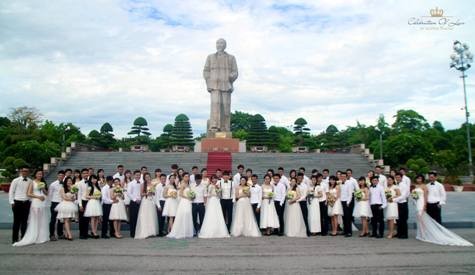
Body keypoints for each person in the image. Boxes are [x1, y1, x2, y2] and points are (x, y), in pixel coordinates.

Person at [413, 174, 472, 246]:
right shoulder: (427, 185)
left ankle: (439, 234)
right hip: (428, 204)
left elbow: (443, 195)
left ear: (435, 177)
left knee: (437, 219)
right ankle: (430, 233)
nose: (431, 178)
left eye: (432, 177)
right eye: (430, 177)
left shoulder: (439, 185)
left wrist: (440, 203)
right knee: (429, 220)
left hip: (436, 204)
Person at [203, 38, 238, 133]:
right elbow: (206, 71)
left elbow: (235, 72)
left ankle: (225, 128)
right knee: (215, 105)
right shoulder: (210, 57)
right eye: (218, 43)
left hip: (226, 85)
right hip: (214, 85)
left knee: (226, 108)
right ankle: (214, 126)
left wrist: (231, 77)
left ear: (225, 45)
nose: (219, 45)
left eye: (222, 43)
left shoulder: (231, 58)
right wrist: (208, 82)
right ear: (216, 45)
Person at [13, 170, 50, 246]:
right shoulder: (32, 182)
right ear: (35, 174)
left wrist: (43, 189)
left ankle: (42, 236)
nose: (40, 175)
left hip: (42, 203)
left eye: (41, 174)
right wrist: (38, 197)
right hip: (35, 202)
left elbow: (47, 193)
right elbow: (29, 193)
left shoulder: (43, 182)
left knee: (42, 219)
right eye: (38, 174)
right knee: (35, 219)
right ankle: (34, 236)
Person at [167, 173, 194, 239]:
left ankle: (187, 231)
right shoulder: (182, 184)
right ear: (183, 177)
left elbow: (190, 192)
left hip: (188, 202)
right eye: (185, 176)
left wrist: (192, 196)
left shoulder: (188, 185)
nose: (187, 178)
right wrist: (188, 197)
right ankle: (181, 231)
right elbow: (181, 194)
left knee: (188, 214)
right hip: (184, 201)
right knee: (184, 214)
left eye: (188, 176)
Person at [135, 173, 158, 239]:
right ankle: (145, 232)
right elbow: (141, 194)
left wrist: (152, 192)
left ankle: (151, 232)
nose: (147, 178)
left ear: (150, 177)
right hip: (145, 201)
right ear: (144, 178)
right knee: (145, 216)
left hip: (151, 201)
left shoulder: (152, 185)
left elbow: (154, 193)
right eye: (146, 177)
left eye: (148, 177)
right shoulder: (142, 185)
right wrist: (147, 193)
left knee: (151, 215)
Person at [54, 176, 78, 241]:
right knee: (66, 220)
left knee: (69, 220)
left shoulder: (73, 188)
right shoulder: (62, 188)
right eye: (68, 181)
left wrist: (74, 196)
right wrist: (71, 199)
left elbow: (75, 197)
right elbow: (64, 197)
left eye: (70, 181)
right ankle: (70, 235)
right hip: (65, 205)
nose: (69, 182)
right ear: (65, 182)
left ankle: (67, 234)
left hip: (71, 205)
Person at [341, 169, 359, 237]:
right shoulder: (340, 183)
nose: (343, 177)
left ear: (346, 177)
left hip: (347, 202)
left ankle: (349, 232)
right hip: (342, 202)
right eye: (342, 176)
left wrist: (348, 202)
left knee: (348, 217)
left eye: (344, 176)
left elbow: (350, 194)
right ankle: (345, 231)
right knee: (344, 217)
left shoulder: (350, 183)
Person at [48, 170, 65, 241]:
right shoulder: (53, 184)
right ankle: (51, 235)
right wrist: (50, 204)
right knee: (53, 219)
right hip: (55, 203)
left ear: (64, 176)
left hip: (62, 203)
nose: (61, 176)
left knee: (61, 219)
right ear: (57, 176)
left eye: (62, 175)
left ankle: (60, 233)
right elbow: (49, 195)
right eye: (60, 175)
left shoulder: (65, 183)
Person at [394, 171, 410, 239]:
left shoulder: (404, 185)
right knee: (398, 220)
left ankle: (404, 234)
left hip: (403, 203)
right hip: (397, 204)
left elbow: (403, 196)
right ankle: (399, 233)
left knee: (403, 220)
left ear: (401, 177)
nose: (397, 178)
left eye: (399, 177)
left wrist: (394, 200)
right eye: (396, 177)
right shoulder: (397, 185)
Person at [127, 170, 142, 238]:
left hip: (141, 202)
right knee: (133, 218)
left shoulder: (142, 182)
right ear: (133, 175)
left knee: (140, 218)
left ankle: (139, 232)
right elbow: (129, 193)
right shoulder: (131, 183)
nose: (138, 176)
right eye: (136, 175)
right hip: (133, 202)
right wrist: (135, 200)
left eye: (139, 175)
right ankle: (132, 233)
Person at [77, 168, 91, 239]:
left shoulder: (90, 182)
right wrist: (80, 205)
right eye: (84, 173)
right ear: (81, 174)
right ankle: (81, 234)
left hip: (89, 202)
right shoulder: (79, 183)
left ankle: (86, 232)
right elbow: (78, 195)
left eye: (86, 173)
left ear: (88, 174)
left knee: (87, 218)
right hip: (82, 201)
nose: (85, 174)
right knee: (82, 218)